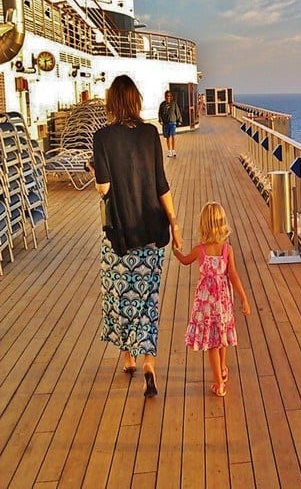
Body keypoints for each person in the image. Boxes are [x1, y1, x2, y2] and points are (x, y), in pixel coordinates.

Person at [91, 75, 182, 398]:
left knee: (119, 297)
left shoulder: (102, 137)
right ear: (136, 100)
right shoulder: (149, 134)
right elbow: (161, 185)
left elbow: (104, 189)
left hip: (119, 232)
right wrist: (174, 224)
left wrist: (97, 170)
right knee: (147, 298)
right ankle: (149, 363)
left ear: (112, 102)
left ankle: (127, 357)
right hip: (152, 229)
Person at [172, 201, 251, 397]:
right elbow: (233, 275)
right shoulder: (227, 250)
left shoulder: (201, 250)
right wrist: (244, 298)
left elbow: (184, 261)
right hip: (223, 303)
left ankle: (219, 384)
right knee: (221, 339)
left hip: (206, 305)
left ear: (203, 225)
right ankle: (222, 370)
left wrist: (175, 249)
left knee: (212, 344)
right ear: (222, 223)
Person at [158, 90, 182, 157]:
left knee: (173, 136)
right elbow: (160, 113)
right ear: (165, 97)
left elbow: (177, 112)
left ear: (171, 96)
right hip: (166, 123)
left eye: (169, 96)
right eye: (167, 96)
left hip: (172, 122)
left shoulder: (174, 104)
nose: (168, 97)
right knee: (168, 137)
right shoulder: (162, 104)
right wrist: (160, 120)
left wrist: (179, 120)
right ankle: (169, 151)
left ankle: (173, 150)